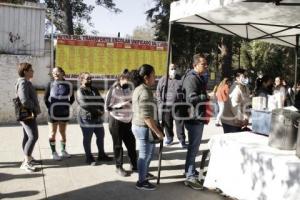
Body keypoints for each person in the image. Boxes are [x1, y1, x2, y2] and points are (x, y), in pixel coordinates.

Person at [132, 64, 164, 191]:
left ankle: (144, 174)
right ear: (146, 77)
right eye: (153, 75)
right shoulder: (144, 92)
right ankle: (141, 182)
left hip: (143, 127)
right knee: (144, 155)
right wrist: (158, 132)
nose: (155, 78)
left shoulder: (142, 89)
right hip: (143, 128)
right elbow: (146, 117)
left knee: (148, 154)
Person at [182, 53, 209, 190]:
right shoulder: (192, 79)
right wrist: (206, 96)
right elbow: (191, 99)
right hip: (194, 118)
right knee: (193, 148)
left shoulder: (198, 77)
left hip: (197, 116)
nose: (206, 66)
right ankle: (190, 175)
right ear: (195, 65)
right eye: (203, 64)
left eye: (206, 64)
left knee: (194, 147)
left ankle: (189, 170)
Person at [105, 69, 137, 177]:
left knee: (131, 143)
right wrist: (123, 104)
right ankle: (119, 167)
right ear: (121, 78)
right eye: (127, 79)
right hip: (116, 121)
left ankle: (134, 165)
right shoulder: (113, 89)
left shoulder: (129, 88)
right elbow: (107, 107)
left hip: (127, 121)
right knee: (118, 145)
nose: (129, 82)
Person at [77, 72, 112, 165]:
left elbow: (101, 100)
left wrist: (102, 109)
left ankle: (102, 155)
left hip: (97, 117)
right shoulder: (80, 91)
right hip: (87, 118)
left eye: (90, 78)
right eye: (87, 78)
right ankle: (89, 158)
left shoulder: (94, 89)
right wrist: (97, 111)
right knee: (87, 138)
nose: (90, 80)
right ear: (82, 80)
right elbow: (84, 104)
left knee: (101, 136)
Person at [44, 67, 74, 160]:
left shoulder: (69, 85)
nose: (55, 74)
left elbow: (72, 98)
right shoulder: (50, 84)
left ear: (62, 73)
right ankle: (53, 152)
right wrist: (51, 107)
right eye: (53, 73)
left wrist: (66, 106)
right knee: (52, 133)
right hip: (52, 113)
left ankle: (63, 151)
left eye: (57, 72)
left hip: (64, 112)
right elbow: (45, 98)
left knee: (62, 132)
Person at [16, 63, 41, 172]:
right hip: (27, 114)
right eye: (31, 70)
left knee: (27, 136)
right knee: (33, 136)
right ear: (25, 71)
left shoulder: (25, 82)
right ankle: (26, 162)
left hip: (27, 114)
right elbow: (24, 100)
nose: (33, 71)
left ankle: (28, 158)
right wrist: (34, 107)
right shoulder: (23, 82)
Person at [156, 63, 186, 147]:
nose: (173, 70)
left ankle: (182, 140)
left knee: (180, 123)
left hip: (178, 106)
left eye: (175, 68)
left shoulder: (180, 79)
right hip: (166, 106)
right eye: (172, 68)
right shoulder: (163, 80)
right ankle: (169, 138)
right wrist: (161, 103)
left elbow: (185, 91)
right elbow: (158, 92)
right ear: (168, 69)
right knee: (167, 123)